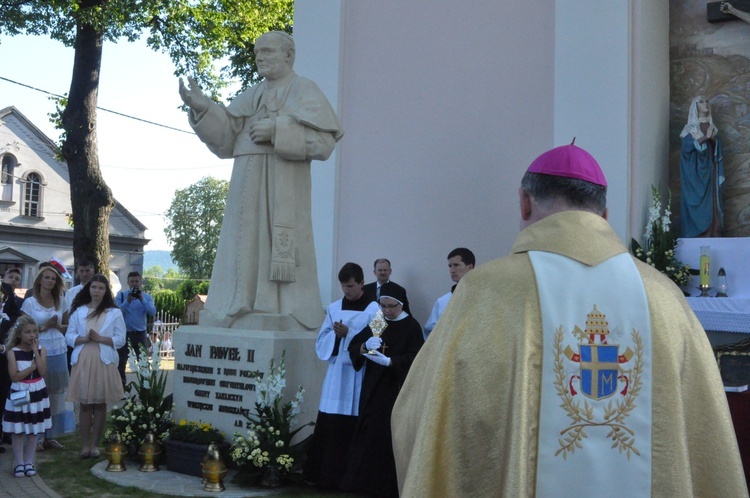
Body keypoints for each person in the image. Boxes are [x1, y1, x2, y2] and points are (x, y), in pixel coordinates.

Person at [390, 143, 748, 497]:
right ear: (603, 215)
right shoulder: (664, 296)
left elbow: (420, 414)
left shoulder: (484, 291)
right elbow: (706, 434)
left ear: (524, 202)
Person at [179, 30, 344, 331]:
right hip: (246, 183)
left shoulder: (305, 90)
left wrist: (278, 132)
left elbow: (324, 144)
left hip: (285, 185)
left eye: (268, 51)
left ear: (289, 55)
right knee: (244, 244)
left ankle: (283, 309)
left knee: (277, 248)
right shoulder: (252, 94)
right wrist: (203, 107)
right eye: (258, 53)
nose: (261, 57)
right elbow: (227, 138)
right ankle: (240, 304)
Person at [341, 282, 424, 497]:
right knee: (368, 433)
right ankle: (362, 483)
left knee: (387, 436)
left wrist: (391, 362)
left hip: (395, 389)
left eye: (391, 307)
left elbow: (418, 358)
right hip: (372, 387)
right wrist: (364, 346)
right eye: (383, 306)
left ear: (401, 305)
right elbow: (356, 346)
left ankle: (387, 486)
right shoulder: (379, 321)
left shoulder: (412, 326)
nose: (387, 311)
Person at [304, 262, 380, 490]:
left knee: (354, 423)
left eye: (350, 286)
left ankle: (352, 478)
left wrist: (350, 335)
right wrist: (337, 338)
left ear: (361, 283)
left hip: (359, 372)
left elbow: (378, 339)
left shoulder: (375, 309)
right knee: (331, 423)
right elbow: (322, 340)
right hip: (337, 373)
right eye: (343, 286)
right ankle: (324, 476)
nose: (346, 291)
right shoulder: (334, 307)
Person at [66, 273, 126, 458]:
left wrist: (101, 339)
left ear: (106, 290)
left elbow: (121, 339)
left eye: (101, 288)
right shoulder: (79, 311)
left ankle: (95, 445)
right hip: (83, 359)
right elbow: (69, 335)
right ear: (88, 289)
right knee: (84, 404)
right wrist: (83, 338)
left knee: (100, 404)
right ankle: (84, 445)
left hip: (104, 360)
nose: (97, 291)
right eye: (94, 287)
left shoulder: (114, 312)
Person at [21, 266, 70, 450]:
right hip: (38, 349)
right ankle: (37, 436)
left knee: (56, 394)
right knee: (38, 391)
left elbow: (67, 326)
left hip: (58, 348)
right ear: (40, 280)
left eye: (53, 278)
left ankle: (51, 435)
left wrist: (57, 327)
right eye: (47, 278)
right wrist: (44, 326)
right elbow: (23, 329)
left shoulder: (61, 301)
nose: (50, 281)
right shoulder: (30, 303)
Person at [2, 315, 51, 478]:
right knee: (18, 429)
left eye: (34, 331)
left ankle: (29, 462)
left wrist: (36, 353)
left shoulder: (41, 349)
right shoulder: (13, 352)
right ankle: (19, 463)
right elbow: (15, 376)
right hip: (20, 391)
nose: (32, 335)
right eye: (28, 332)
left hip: (37, 390)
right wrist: (31, 368)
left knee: (33, 429)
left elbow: (42, 371)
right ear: (19, 335)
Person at [679, 95, 725, 237]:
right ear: (695, 107)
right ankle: (697, 233)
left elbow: (716, 150)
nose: (705, 104)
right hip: (696, 175)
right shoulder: (690, 129)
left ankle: (712, 232)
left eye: (707, 101)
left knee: (713, 202)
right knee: (696, 202)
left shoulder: (713, 128)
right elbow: (686, 150)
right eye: (701, 102)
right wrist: (706, 137)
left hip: (710, 171)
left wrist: (713, 139)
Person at [423, 248, 475, 339]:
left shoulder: (485, 296)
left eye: (456, 265)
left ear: (470, 267)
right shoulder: (443, 301)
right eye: (450, 266)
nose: (452, 270)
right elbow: (430, 332)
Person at [115, 271, 156, 388]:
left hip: (140, 334)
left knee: (143, 362)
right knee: (121, 362)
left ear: (141, 282)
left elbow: (152, 312)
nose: (134, 284)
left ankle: (145, 388)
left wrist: (142, 299)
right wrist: (127, 301)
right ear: (128, 283)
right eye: (132, 281)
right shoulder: (121, 296)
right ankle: (121, 389)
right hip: (124, 334)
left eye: (136, 281)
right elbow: (116, 312)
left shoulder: (147, 297)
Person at [0, 268, 24, 451]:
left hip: (5, 354)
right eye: (11, 277)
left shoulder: (11, 297)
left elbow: (18, 317)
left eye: (17, 279)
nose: (14, 281)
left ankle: (6, 431)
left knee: (5, 393)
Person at [64, 260, 95, 373]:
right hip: (76, 335)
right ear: (77, 272)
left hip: (94, 334)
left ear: (93, 271)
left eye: (87, 270)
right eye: (82, 271)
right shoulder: (71, 293)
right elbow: (68, 314)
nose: (85, 273)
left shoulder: (99, 291)